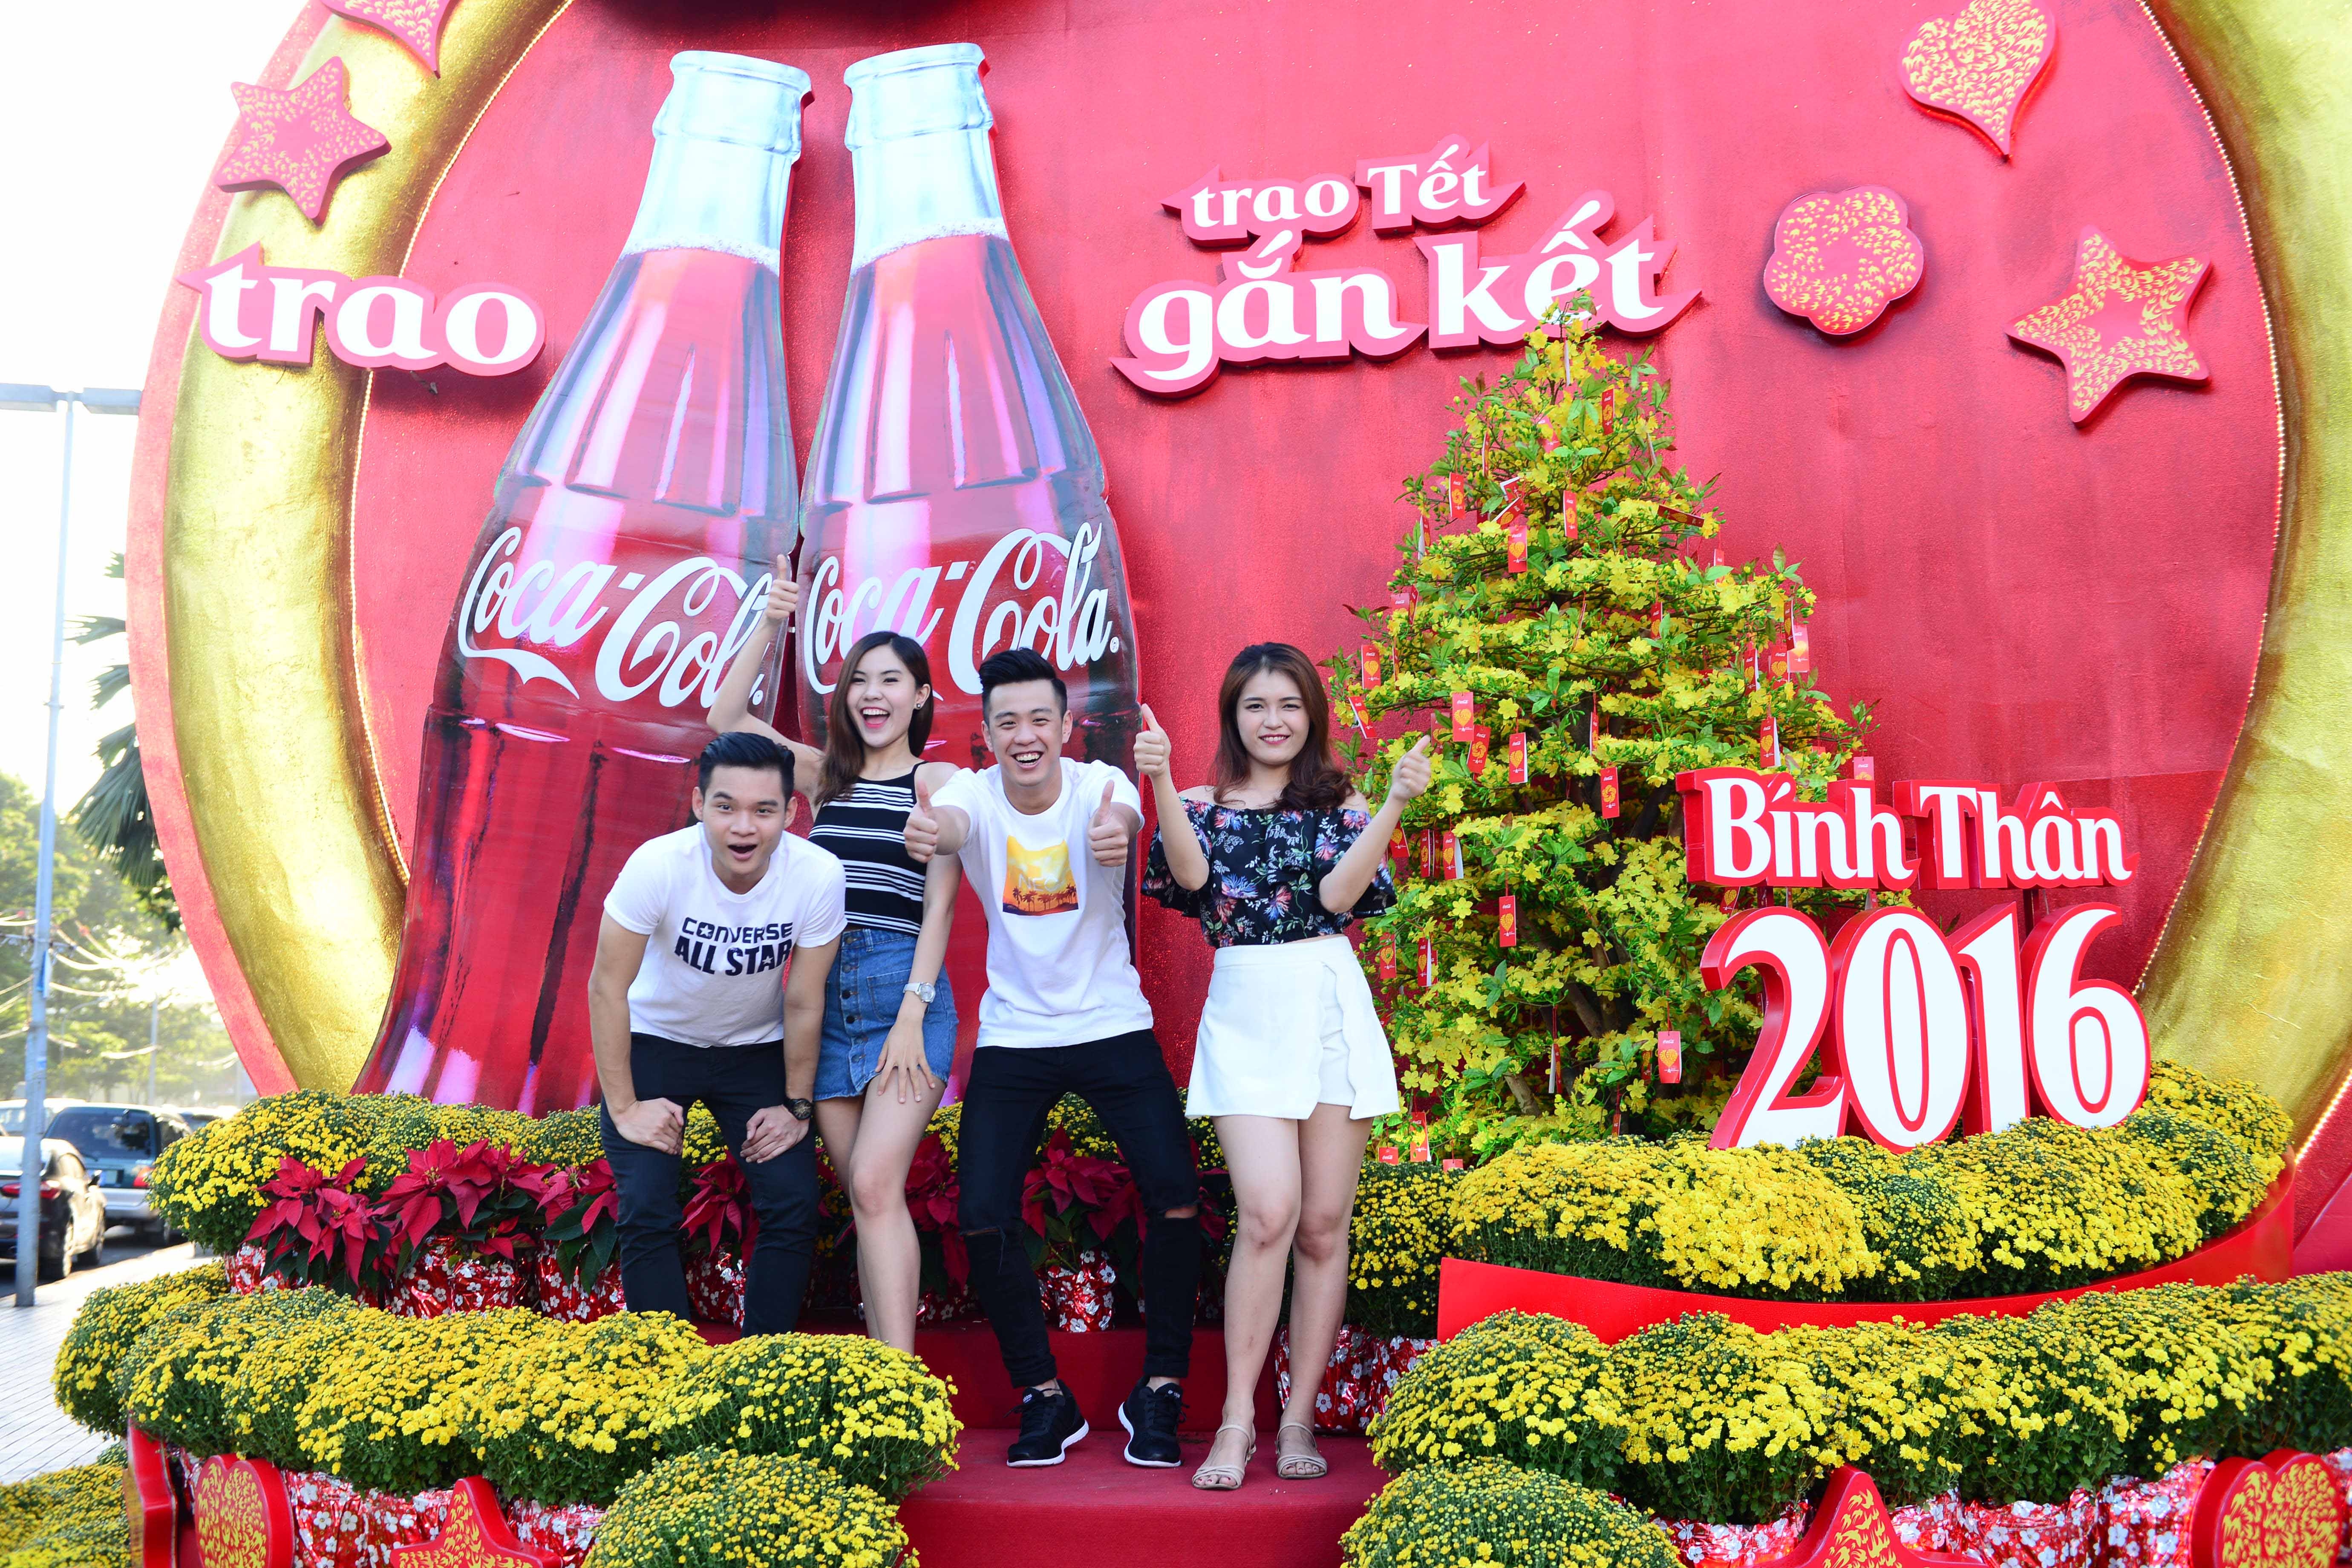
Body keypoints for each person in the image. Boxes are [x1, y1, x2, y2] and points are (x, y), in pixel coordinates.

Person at [1134, 643, 1430, 1491]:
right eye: (1257, 705)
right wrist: (1160, 781)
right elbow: (1191, 878)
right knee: (1267, 1213)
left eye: (1290, 704)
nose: (1274, 720)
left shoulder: (1343, 802)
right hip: (1247, 1012)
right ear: (1233, 716)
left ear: (1313, 715)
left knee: (1323, 1225)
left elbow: (1339, 899)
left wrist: (1395, 804)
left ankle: (1297, 1417)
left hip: (1329, 1002)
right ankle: (1238, 1420)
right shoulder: (1199, 804)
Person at [904, 648, 1203, 1470]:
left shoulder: (1098, 784)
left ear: (1066, 726)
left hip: (1111, 1022)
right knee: (982, 1212)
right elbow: (950, 823)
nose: (1025, 736)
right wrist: (933, 830)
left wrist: (1117, 832)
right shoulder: (971, 796)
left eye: (1041, 719)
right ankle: (1043, 1394)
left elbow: (1123, 817)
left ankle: (1161, 1388)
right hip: (1016, 1034)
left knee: (1177, 1197)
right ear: (987, 734)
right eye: (1008, 723)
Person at [706, 561, 964, 1354]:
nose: (872, 694)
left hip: (902, 993)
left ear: (921, 696)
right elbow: (726, 718)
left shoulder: (939, 779)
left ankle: (901, 1380)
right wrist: (771, 621)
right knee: (864, 1195)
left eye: (892, 680)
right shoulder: (827, 776)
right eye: (860, 681)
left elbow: (942, 903)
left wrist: (914, 1012)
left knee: (878, 1182)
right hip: (822, 998)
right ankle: (886, 1376)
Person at [587, 730, 846, 1334]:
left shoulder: (817, 874)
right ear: (700, 803)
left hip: (755, 1049)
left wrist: (797, 1106)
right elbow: (607, 988)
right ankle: (668, 1369)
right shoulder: (658, 865)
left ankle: (761, 1366)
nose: (743, 828)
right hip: (656, 1042)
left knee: (792, 1204)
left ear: (791, 812)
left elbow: (804, 1000)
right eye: (726, 807)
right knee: (646, 1205)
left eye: (764, 810)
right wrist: (625, 1109)